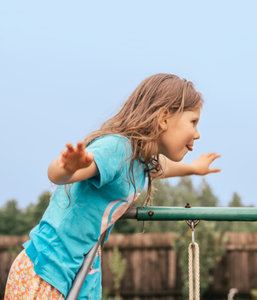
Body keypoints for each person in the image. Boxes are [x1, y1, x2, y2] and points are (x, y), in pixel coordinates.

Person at [4, 73, 221, 299]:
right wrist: (68, 168)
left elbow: (162, 167)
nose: (197, 133)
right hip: (48, 268)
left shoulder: (139, 161)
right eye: (193, 121)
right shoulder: (117, 149)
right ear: (164, 117)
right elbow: (56, 175)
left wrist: (194, 169)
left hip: (81, 268)